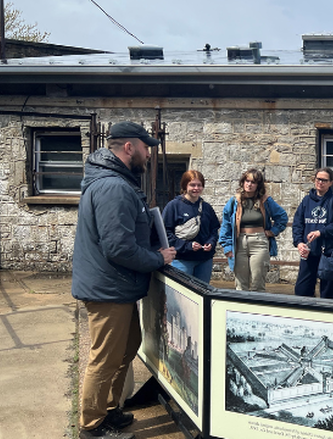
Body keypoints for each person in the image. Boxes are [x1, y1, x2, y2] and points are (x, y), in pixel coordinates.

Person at [72, 121, 176, 439]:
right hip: (108, 288)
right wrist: (159, 258)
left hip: (116, 285)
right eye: (145, 147)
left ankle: (108, 410)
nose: (148, 153)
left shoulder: (116, 182)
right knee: (104, 358)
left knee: (126, 349)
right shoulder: (114, 187)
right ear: (129, 148)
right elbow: (119, 247)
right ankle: (91, 426)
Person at [219, 168, 288, 292]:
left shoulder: (265, 200)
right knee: (241, 285)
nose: (249, 184)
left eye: (253, 182)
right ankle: (240, 310)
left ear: (258, 185)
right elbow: (226, 223)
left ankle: (257, 310)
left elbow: (282, 217)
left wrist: (272, 231)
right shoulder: (235, 201)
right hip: (239, 242)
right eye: (247, 181)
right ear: (243, 182)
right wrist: (227, 246)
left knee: (258, 282)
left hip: (259, 241)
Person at [293, 167, 333, 299]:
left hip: (329, 254)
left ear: (330, 183)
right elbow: (297, 223)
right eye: (318, 179)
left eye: (324, 180)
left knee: (327, 296)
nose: (320, 182)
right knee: (302, 291)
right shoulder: (307, 201)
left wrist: (321, 232)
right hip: (309, 253)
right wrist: (299, 243)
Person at [162, 170, 220, 283]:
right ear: (185, 185)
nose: (196, 188)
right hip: (182, 259)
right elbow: (165, 233)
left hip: (204, 260)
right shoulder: (173, 206)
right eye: (192, 185)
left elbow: (214, 229)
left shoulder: (207, 208)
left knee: (202, 296)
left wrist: (211, 243)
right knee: (182, 296)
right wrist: (188, 246)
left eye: (199, 185)